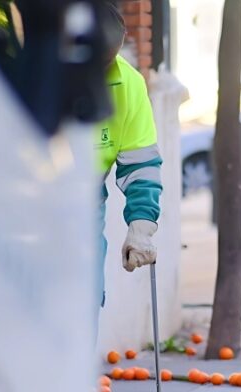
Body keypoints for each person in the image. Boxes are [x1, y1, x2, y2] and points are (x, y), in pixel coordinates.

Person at [95, 0, 163, 303]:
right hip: (29, 206)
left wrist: (141, 227)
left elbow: (141, 165)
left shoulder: (129, 84)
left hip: (85, 207)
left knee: (86, 298)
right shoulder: (39, 73)